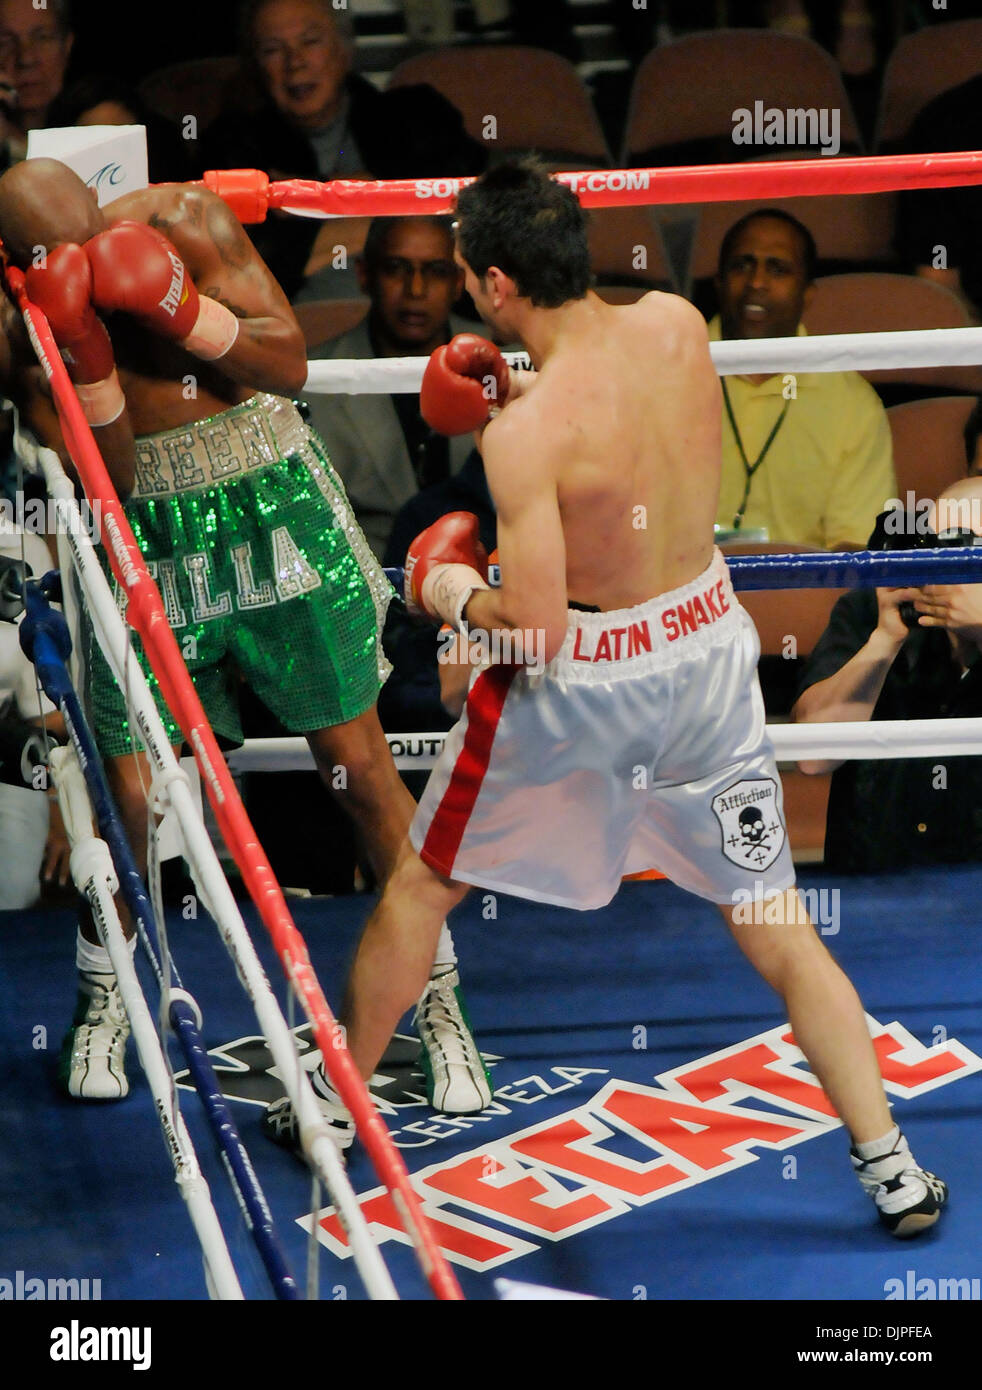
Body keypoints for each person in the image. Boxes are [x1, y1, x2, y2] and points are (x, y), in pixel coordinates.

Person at [270, 159, 947, 1239]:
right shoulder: (678, 322)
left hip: (589, 676)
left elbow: (532, 627)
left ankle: (337, 1108)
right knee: (774, 922)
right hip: (707, 642)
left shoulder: (521, 437)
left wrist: (447, 581)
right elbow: (627, 442)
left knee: (426, 879)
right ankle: (892, 1165)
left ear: (493, 283)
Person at [0, 155, 490, 1116]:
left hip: (268, 492)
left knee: (359, 768)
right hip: (145, 531)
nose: (86, 261)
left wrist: (180, 306)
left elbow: (288, 358)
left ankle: (439, 1009)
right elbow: (118, 476)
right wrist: (87, 352)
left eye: (91, 239)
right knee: (132, 791)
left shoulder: (184, 220)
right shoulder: (18, 323)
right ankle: (107, 996)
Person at [199, 0, 487, 300]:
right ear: (254, 65)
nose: (295, 62)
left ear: (345, 49)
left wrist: (311, 203)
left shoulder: (418, 116)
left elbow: (468, 217)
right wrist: (381, 202)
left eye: (310, 42)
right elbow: (245, 267)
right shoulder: (231, 145)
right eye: (272, 50)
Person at [793, 477, 982, 873]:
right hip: (874, 889)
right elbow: (812, 756)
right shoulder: (874, 610)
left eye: (967, 549)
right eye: (937, 547)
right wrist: (883, 641)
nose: (945, 568)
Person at [711, 209, 897, 549]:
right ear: (719, 282)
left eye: (778, 268)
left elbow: (852, 550)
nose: (756, 282)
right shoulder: (664, 375)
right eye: (742, 265)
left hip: (803, 597)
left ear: (807, 294)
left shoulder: (852, 404)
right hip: (679, 595)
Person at [306, 215, 478, 562]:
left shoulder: (500, 366)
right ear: (364, 275)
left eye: (436, 271)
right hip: (367, 589)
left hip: (486, 580)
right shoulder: (314, 379)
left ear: (459, 282)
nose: (416, 290)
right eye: (396, 268)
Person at [0, 0, 75, 169]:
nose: (26, 58)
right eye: (5, 42)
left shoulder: (99, 118)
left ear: (67, 45)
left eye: (43, 38)